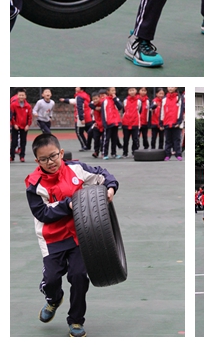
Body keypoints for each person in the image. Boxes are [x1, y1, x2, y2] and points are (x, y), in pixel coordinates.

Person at [26, 132, 118, 338]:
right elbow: (41, 213)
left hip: (79, 235)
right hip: (51, 239)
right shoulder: (34, 184)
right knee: (51, 280)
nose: (50, 162)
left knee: (79, 277)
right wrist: (67, 204)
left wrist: (111, 188)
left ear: (61, 153)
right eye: (44, 159)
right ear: (37, 161)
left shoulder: (76, 169)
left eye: (53, 156)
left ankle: (76, 320)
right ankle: (53, 299)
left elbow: (103, 175)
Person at [58, 87, 93, 152]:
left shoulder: (79, 97)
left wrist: (81, 118)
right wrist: (65, 100)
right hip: (88, 117)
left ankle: (85, 145)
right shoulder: (85, 95)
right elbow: (74, 101)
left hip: (81, 118)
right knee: (91, 132)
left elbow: (80, 107)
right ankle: (98, 144)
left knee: (79, 132)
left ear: (81, 89)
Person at [160, 85, 184, 160]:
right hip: (167, 123)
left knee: (177, 140)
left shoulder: (179, 98)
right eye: (169, 86)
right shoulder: (164, 99)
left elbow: (181, 111)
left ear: (176, 87)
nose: (170, 88)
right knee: (168, 140)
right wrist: (161, 123)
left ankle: (178, 154)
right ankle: (167, 155)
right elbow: (162, 111)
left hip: (176, 123)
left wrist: (179, 122)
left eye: (172, 86)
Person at [11, 89, 33, 162]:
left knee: (23, 142)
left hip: (24, 127)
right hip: (16, 126)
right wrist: (14, 124)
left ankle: (22, 156)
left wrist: (28, 125)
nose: (21, 96)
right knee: (14, 142)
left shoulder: (28, 106)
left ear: (25, 96)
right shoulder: (13, 105)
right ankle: (12, 156)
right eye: (20, 95)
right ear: (17, 96)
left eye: (22, 95)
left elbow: (30, 117)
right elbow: (11, 116)